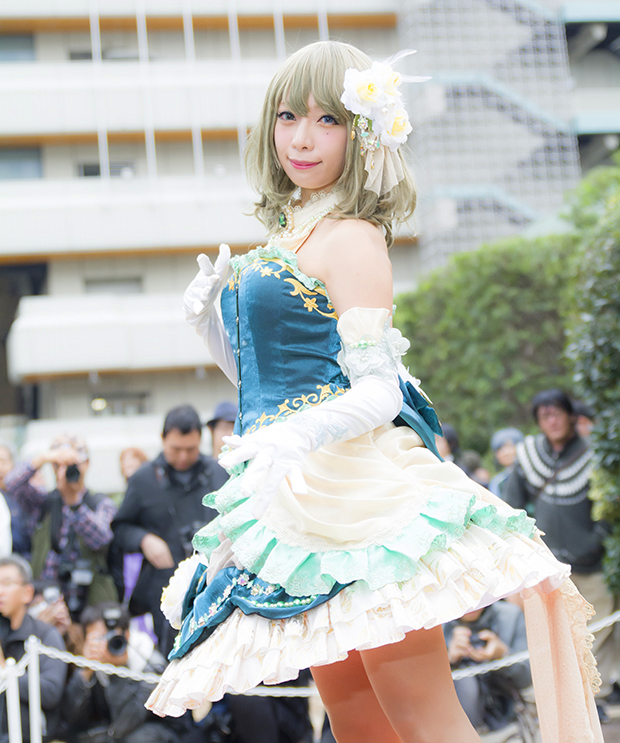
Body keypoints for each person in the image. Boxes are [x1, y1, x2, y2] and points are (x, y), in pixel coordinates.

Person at [146, 42, 602, 743]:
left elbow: (380, 391)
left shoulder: (352, 237)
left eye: (327, 119)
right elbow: (270, 385)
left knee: (423, 721)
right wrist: (211, 327)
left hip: (358, 497)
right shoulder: (286, 233)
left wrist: (296, 436)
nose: (302, 138)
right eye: (288, 116)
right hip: (298, 497)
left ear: (361, 133)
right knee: (357, 723)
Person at [505, 389, 617, 712]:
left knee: (596, 631)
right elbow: (512, 502)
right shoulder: (529, 455)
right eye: (545, 416)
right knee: (559, 633)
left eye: (557, 413)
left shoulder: (593, 454)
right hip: (548, 564)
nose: (552, 421)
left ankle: (594, 698)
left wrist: (595, 540)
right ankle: (572, 702)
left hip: (590, 563)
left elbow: (608, 505)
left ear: (571, 416)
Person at [111, 405, 228, 654]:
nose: (183, 456)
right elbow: (120, 528)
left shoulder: (218, 473)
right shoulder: (143, 479)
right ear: (162, 439)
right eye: (176, 449)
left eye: (191, 449)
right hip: (166, 591)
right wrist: (144, 539)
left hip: (216, 583)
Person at [3, 435, 118, 619]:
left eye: (73, 465)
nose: (65, 470)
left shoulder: (100, 503)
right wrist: (44, 458)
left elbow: (101, 540)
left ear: (87, 464)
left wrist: (75, 503)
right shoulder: (43, 501)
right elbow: (10, 483)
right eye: (59, 465)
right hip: (46, 601)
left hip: (92, 604)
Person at [61, 603, 186, 743]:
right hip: (114, 731)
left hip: (158, 732)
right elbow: (70, 717)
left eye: (111, 637)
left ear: (127, 634)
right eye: (98, 638)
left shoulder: (149, 663)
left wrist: (118, 669)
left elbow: (128, 719)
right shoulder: (93, 663)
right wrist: (86, 670)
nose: (106, 644)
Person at [0, 555, 67, 743]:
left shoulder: (45, 634)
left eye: (7, 583)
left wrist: (5, 670)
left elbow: (51, 692)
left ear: (27, 592)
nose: (0, 591)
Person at [444, 601, 531, 732]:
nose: (470, 602)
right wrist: (449, 660)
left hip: (511, 721)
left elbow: (528, 680)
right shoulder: (436, 627)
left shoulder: (510, 616)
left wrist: (503, 654)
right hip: (461, 728)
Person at [488, 427, 524, 500]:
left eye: (509, 446)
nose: (505, 453)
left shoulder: (531, 474)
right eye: (500, 449)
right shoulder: (497, 482)